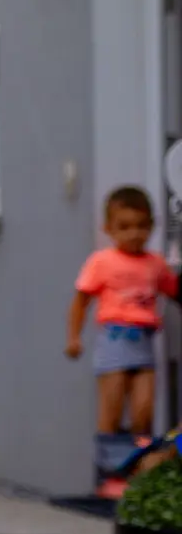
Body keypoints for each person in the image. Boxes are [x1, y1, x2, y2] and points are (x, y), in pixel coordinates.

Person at [67, 185, 179, 498]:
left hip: (144, 342)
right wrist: (74, 338)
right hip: (114, 339)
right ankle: (107, 476)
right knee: (112, 409)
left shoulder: (155, 264)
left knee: (143, 409)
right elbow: (80, 302)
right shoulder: (102, 261)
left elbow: (173, 290)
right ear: (109, 228)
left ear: (152, 226)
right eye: (125, 227)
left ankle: (135, 471)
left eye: (142, 226)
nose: (134, 234)